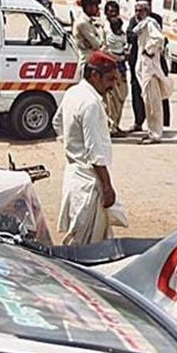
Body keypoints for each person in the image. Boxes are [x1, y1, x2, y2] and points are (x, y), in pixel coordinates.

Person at [52, 51, 119, 246]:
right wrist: (107, 186)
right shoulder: (90, 103)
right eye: (109, 79)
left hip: (75, 176)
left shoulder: (73, 92)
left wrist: (72, 147)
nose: (112, 86)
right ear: (95, 75)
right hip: (89, 182)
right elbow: (94, 151)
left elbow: (57, 123)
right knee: (86, 246)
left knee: (89, 238)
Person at [126, 0, 171, 132]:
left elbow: (159, 39)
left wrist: (148, 50)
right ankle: (139, 121)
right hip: (138, 62)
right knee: (138, 93)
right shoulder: (135, 22)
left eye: (141, 10)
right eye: (136, 10)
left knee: (154, 96)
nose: (138, 13)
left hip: (152, 64)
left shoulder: (152, 21)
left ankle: (157, 128)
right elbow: (130, 36)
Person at [104, 16, 129, 137]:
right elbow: (109, 52)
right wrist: (121, 57)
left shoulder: (122, 36)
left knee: (122, 97)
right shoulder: (109, 37)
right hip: (113, 67)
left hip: (122, 67)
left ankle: (116, 125)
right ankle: (112, 127)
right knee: (113, 99)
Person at [72, 0, 104, 65]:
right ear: (88, 7)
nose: (97, 9)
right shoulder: (83, 23)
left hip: (93, 58)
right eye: (96, 6)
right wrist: (101, 30)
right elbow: (97, 44)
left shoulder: (91, 20)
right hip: (87, 59)